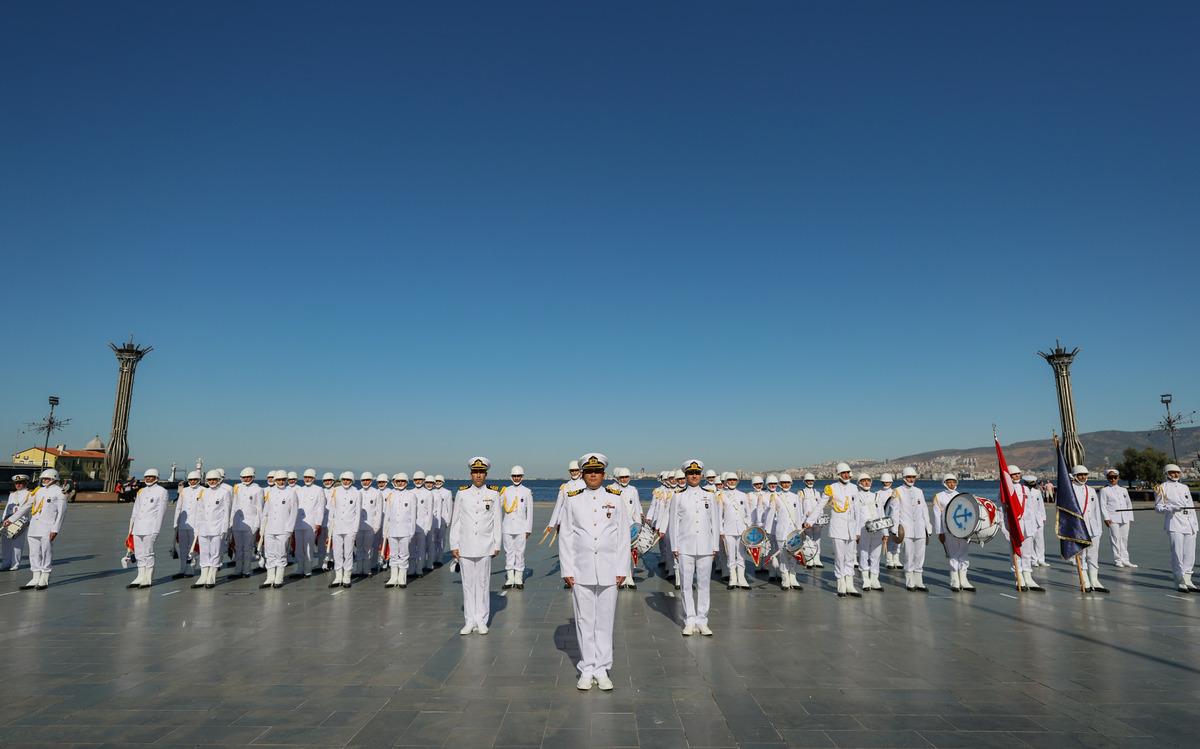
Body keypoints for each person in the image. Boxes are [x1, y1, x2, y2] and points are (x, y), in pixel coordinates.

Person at [558, 452, 629, 690]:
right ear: (583, 474)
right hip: (581, 568)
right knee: (584, 620)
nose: (593, 475)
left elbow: (623, 536)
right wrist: (567, 569)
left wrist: (622, 568)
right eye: (589, 471)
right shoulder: (572, 499)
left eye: (597, 471)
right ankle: (587, 668)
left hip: (610, 568)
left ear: (604, 474)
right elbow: (566, 535)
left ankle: (603, 668)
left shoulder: (616, 498)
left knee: (605, 620)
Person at [663, 460, 719, 635]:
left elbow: (715, 522)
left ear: (701, 475)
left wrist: (715, 546)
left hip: (706, 546)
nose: (694, 476)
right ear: (686, 476)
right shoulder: (678, 496)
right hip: (685, 547)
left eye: (696, 473)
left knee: (704, 585)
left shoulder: (710, 495)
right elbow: (673, 523)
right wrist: (674, 546)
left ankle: (702, 620)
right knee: (686, 585)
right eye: (690, 473)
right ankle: (690, 619)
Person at [450, 457, 502, 635]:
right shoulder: (462, 493)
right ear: (471, 474)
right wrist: (454, 544)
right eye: (475, 472)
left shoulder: (494, 494)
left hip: (485, 545)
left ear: (486, 474)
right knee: (468, 585)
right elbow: (456, 521)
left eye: (481, 472)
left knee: (483, 583)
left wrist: (497, 543)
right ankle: (469, 620)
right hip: (465, 545)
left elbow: (497, 521)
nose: (478, 475)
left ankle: (481, 619)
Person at [819, 466, 861, 597]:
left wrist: (858, 530)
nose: (846, 475)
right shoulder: (831, 488)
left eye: (848, 472)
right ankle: (841, 583)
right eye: (843, 473)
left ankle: (850, 585)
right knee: (839, 557)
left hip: (851, 529)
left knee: (850, 557)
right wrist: (809, 520)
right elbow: (820, 505)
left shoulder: (854, 488)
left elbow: (857, 511)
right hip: (837, 528)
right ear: (839, 474)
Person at [1156, 463, 1197, 592]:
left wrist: (1195, 525)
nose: (1175, 474)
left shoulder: (1185, 487)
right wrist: (1171, 508)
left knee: (1189, 553)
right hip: (1174, 523)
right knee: (1177, 553)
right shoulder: (1161, 487)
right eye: (1172, 472)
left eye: (1177, 472)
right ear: (1166, 473)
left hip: (1189, 523)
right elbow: (1158, 507)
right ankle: (1179, 580)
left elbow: (1191, 506)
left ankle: (1188, 579)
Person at [126, 468, 168, 589]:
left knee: (148, 553)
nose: (148, 479)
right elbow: (135, 510)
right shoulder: (141, 491)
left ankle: (148, 578)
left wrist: (156, 530)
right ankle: (140, 576)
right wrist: (131, 528)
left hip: (150, 527)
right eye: (146, 477)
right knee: (139, 553)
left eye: (151, 477)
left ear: (156, 478)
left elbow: (160, 513)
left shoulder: (162, 491)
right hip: (137, 527)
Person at [932, 474, 972, 592]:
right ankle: (954, 580)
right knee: (953, 554)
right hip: (948, 530)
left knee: (964, 554)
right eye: (949, 482)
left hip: (963, 530)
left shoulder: (961, 496)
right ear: (944, 483)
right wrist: (940, 532)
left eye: (954, 482)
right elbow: (937, 516)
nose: (951, 484)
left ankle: (964, 580)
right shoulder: (939, 497)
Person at [192, 469, 231, 589]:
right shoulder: (203, 492)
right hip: (203, 528)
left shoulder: (224, 493)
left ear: (219, 480)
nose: (212, 481)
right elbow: (199, 511)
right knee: (204, 552)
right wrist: (196, 527)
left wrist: (224, 529)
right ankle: (203, 576)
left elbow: (226, 512)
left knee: (215, 552)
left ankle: (211, 577)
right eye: (209, 480)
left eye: (214, 479)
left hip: (217, 527)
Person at [766, 472, 804, 591]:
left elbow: (799, 515)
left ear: (791, 484)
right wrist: (767, 531)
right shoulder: (776, 496)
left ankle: (793, 577)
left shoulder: (795, 497)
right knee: (783, 556)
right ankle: (785, 578)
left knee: (794, 555)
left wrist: (799, 530)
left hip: (793, 532)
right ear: (780, 484)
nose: (786, 485)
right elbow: (770, 514)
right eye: (783, 483)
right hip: (781, 531)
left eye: (787, 482)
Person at [1007, 465, 1043, 592]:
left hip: (1027, 525)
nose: (1017, 476)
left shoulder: (1025, 489)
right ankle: (1019, 577)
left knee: (1027, 552)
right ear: (1009, 476)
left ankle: (1028, 577)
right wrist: (1004, 527)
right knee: (1016, 553)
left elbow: (1030, 508)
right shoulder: (1005, 490)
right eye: (1014, 474)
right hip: (1014, 526)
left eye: (1018, 474)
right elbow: (1001, 510)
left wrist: (1034, 524)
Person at [1072, 466, 1108, 593]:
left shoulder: (1091, 490)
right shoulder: (1069, 490)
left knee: (1093, 555)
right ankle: (1084, 580)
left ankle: (1094, 580)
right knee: (1081, 555)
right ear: (1075, 476)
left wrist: (1099, 529)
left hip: (1093, 528)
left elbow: (1096, 511)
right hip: (1078, 528)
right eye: (1080, 475)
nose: (1083, 477)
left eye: (1085, 474)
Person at [895, 466, 930, 592]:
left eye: (913, 477)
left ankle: (919, 580)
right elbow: (895, 511)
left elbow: (924, 509)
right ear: (904, 478)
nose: (911, 479)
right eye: (909, 477)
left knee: (920, 554)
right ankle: (910, 580)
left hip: (920, 528)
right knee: (909, 555)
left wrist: (928, 526)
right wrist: (895, 528)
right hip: (906, 528)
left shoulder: (919, 491)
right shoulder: (897, 491)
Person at [260, 470, 298, 588]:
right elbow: (265, 512)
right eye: (278, 480)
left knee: (281, 554)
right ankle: (269, 578)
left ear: (286, 480)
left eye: (283, 480)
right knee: (269, 554)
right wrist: (262, 528)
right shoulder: (270, 492)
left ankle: (279, 578)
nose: (281, 482)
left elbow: (294, 513)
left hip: (283, 529)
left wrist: (289, 530)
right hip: (269, 528)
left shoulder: (291, 493)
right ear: (275, 480)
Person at [501, 466, 534, 590]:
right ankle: (510, 579)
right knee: (508, 552)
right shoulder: (506, 491)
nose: (516, 478)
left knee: (520, 552)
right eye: (514, 476)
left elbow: (530, 512)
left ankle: (519, 578)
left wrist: (528, 529)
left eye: (518, 476)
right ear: (511, 477)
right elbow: (497, 505)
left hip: (521, 527)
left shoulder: (527, 491)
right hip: (507, 526)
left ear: (522, 477)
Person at [327, 472, 360, 588]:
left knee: (348, 553)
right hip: (337, 527)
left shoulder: (357, 493)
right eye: (344, 479)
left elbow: (357, 514)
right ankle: (338, 577)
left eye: (348, 480)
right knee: (337, 553)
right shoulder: (335, 491)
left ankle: (347, 576)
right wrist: (329, 528)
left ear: (352, 481)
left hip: (350, 528)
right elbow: (331, 511)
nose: (345, 481)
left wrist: (355, 530)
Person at [719, 472, 752, 590]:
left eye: (734, 480)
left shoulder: (743, 495)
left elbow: (748, 514)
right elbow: (719, 515)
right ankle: (732, 579)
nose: (732, 482)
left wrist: (748, 527)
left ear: (737, 481)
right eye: (729, 480)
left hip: (742, 530)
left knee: (741, 555)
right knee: (730, 555)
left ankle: (742, 579)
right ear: (726, 482)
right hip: (728, 530)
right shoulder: (722, 496)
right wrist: (721, 531)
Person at [854, 473, 887, 593]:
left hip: (878, 529)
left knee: (876, 555)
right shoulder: (856, 496)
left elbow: (882, 513)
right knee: (863, 554)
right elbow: (856, 515)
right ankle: (865, 580)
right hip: (863, 529)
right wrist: (856, 532)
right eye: (863, 480)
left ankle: (874, 579)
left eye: (868, 480)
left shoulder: (876, 496)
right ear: (859, 483)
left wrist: (885, 532)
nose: (866, 482)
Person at [383, 473, 416, 588]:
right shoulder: (391, 495)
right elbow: (387, 515)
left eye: (402, 481)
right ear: (395, 482)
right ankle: (393, 577)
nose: (400, 483)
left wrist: (411, 532)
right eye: (398, 481)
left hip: (405, 531)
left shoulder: (411, 496)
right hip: (392, 530)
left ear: (406, 482)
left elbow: (413, 516)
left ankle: (402, 578)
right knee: (393, 555)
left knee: (404, 554)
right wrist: (385, 531)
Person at [230, 467, 263, 579]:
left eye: (249, 477)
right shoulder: (237, 488)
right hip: (237, 523)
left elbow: (260, 509)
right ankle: (238, 570)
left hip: (251, 523)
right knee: (238, 548)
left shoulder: (258, 490)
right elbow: (234, 506)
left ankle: (246, 570)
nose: (246, 479)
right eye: (244, 477)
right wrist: (231, 522)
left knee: (248, 548)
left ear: (253, 477)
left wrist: (257, 525)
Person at [1100, 468, 1136, 569]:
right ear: (1107, 478)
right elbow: (1103, 505)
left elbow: (1128, 504)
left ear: (1118, 478)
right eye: (1110, 477)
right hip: (1113, 518)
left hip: (1125, 518)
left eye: (1115, 477)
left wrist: (1130, 517)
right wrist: (1106, 518)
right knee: (1115, 539)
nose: (1113, 479)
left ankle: (1125, 560)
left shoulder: (1124, 490)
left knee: (1124, 539)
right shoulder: (1104, 490)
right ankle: (1118, 560)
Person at [612, 467, 642, 589]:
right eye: (622, 477)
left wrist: (638, 524)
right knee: (619, 553)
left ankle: (630, 577)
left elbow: (637, 508)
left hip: (631, 525)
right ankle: (620, 578)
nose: (624, 479)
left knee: (632, 551)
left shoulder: (633, 490)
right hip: (617, 526)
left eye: (626, 477)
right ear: (617, 478)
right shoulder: (611, 489)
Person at [293, 469, 325, 578]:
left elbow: (321, 508)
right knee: (298, 548)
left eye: (310, 477)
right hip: (298, 523)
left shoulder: (319, 490)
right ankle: (300, 568)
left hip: (311, 524)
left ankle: (307, 569)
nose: (307, 479)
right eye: (306, 477)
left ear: (314, 478)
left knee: (308, 547)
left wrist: (318, 523)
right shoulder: (298, 490)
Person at [173, 470, 202, 578]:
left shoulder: (203, 490)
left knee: (192, 548)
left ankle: (190, 569)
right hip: (183, 524)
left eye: (195, 479)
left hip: (196, 524)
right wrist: (175, 522)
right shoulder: (184, 491)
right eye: (190, 480)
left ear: (198, 480)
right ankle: (182, 569)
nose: (192, 481)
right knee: (182, 548)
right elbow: (178, 508)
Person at [356, 472, 382, 577]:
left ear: (371, 481)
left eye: (367, 480)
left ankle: (367, 569)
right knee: (359, 548)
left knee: (368, 548)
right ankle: (359, 569)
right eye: (363, 480)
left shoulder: (377, 493)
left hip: (371, 526)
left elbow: (378, 512)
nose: (365, 482)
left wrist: (376, 526)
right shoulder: (357, 492)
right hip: (358, 525)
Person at [2, 474, 30, 570]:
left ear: (25, 483)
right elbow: (7, 508)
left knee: (17, 544)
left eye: (20, 483)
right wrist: (3, 519)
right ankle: (6, 562)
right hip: (8, 521)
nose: (18, 485)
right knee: (5, 543)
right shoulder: (12, 494)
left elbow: (27, 509)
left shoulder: (29, 494)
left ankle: (15, 564)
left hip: (21, 522)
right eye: (16, 483)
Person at [410, 471, 434, 577]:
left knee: (421, 548)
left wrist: (427, 527)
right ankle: (411, 569)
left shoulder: (428, 494)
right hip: (411, 526)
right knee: (411, 549)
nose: (418, 481)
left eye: (420, 479)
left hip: (422, 526)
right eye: (416, 480)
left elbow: (429, 512)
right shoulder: (410, 492)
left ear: (424, 480)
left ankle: (419, 569)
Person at [799, 472, 825, 568]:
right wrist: (801, 521)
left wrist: (821, 517)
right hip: (806, 520)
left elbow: (820, 506)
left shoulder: (817, 492)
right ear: (805, 481)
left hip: (817, 520)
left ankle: (817, 559)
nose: (810, 482)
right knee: (808, 540)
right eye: (808, 480)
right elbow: (799, 508)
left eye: (811, 480)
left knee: (817, 540)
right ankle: (809, 559)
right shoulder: (801, 492)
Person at [1024, 473, 1049, 567]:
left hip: (1038, 520)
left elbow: (1041, 506)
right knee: (1030, 540)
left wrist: (1043, 517)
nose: (1032, 484)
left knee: (1040, 541)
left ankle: (1041, 559)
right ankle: (1033, 559)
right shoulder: (1023, 492)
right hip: (1028, 520)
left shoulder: (1037, 492)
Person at [877, 474, 902, 569]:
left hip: (896, 519)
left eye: (888, 482)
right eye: (885, 482)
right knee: (887, 540)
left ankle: (896, 559)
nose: (886, 483)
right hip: (884, 519)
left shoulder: (895, 492)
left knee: (897, 540)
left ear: (891, 482)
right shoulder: (878, 493)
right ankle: (889, 560)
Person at [316, 472, 336, 571]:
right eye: (325, 481)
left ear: (332, 481)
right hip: (321, 522)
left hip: (332, 522)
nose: (327, 482)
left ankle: (331, 561)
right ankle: (321, 563)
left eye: (329, 480)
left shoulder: (336, 491)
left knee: (331, 544)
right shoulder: (321, 491)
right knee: (320, 545)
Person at [433, 474, 453, 567]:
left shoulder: (447, 492)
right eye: (436, 481)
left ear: (443, 482)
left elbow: (450, 507)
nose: (438, 483)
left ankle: (440, 558)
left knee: (441, 540)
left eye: (439, 481)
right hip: (433, 520)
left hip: (443, 519)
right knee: (433, 540)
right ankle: (433, 558)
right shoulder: (431, 491)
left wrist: (448, 520)